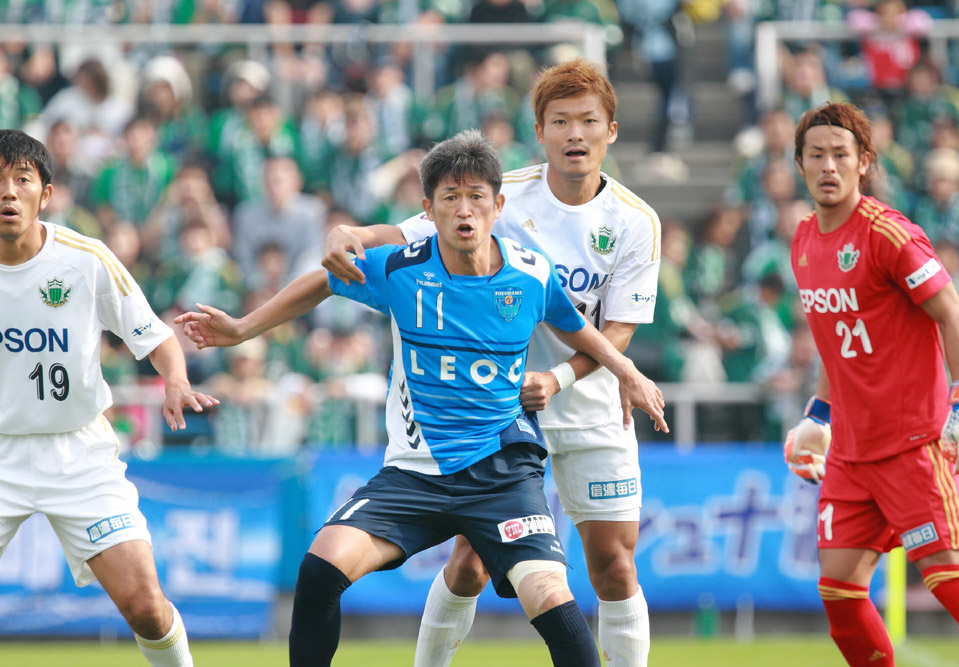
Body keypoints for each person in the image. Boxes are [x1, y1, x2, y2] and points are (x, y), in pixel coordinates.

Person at [175, 129, 668, 667]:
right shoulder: (402, 268)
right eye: (450, 198)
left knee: (552, 598)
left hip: (502, 471)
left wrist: (626, 370)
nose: (464, 210)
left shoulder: (530, 275)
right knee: (320, 568)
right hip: (414, 473)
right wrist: (243, 329)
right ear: (428, 210)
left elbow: (576, 328)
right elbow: (324, 280)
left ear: (497, 206)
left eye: (477, 197)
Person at [323, 58, 660, 666]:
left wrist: (559, 378)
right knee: (471, 562)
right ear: (541, 129)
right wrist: (347, 231)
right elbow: (406, 235)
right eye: (561, 121)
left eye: (589, 121)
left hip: (581, 401)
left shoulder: (635, 222)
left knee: (613, 565)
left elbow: (618, 328)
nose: (575, 134)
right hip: (495, 409)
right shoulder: (498, 193)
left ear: (612, 130)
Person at [783, 102, 959, 666]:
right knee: (839, 592)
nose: (828, 166)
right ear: (799, 165)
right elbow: (838, 337)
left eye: (841, 155)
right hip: (852, 455)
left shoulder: (888, 235)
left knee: (948, 578)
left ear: (864, 164)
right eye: (816, 155)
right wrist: (818, 415)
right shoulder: (803, 240)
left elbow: (953, 314)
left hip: (912, 444)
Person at [0, 129, 218, 666]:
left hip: (78, 453)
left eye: (21, 179)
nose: (7, 192)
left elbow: (156, 335)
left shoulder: (85, 259)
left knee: (146, 605)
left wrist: (174, 378)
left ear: (45, 194)